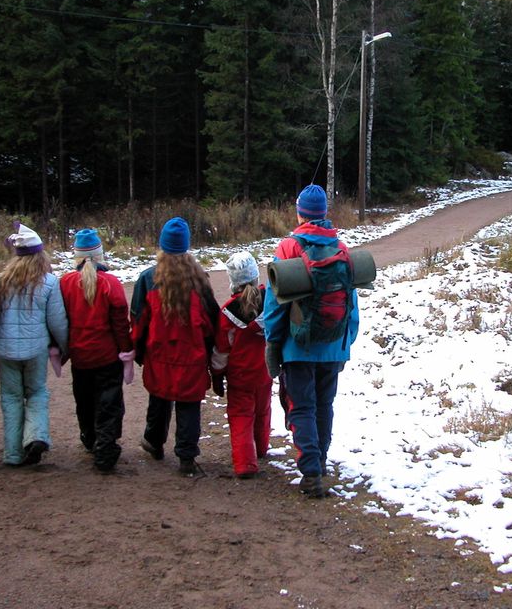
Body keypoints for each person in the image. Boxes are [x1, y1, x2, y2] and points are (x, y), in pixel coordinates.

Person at [263, 184, 359, 498]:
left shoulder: (289, 247)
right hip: (333, 345)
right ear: (324, 213)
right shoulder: (341, 248)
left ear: (300, 211)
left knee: (302, 407)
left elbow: (276, 304)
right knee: (324, 406)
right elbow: (351, 302)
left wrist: (272, 343)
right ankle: (321, 459)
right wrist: (346, 343)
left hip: (297, 347)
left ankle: (311, 470)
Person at [131, 217, 219, 476]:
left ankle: (154, 442)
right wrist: (211, 350)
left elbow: (138, 318)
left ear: (162, 246)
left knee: (159, 397)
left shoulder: (148, 279)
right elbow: (212, 320)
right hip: (192, 356)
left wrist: (137, 350)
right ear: (186, 247)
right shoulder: (199, 280)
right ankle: (187, 456)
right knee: (188, 404)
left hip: (159, 354)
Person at [0, 224, 68, 467]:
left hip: (5, 351)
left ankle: (12, 453)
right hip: (36, 350)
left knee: (10, 398)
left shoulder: (1, 282)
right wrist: (64, 347)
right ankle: (36, 437)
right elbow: (57, 321)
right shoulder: (50, 283)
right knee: (37, 393)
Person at [59, 228, 133, 473]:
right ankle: (106, 446)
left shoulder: (67, 283)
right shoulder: (110, 283)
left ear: (77, 256)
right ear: (100, 255)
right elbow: (121, 322)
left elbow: (61, 320)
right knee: (109, 403)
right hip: (107, 355)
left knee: (85, 399)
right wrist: (126, 350)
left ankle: (90, 438)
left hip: (80, 356)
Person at [211, 251, 272, 479]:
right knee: (262, 410)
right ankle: (262, 447)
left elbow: (221, 350)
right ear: (256, 276)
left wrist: (217, 374)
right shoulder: (270, 302)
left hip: (239, 375)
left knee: (241, 415)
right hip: (265, 370)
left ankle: (245, 463)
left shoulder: (228, 312)